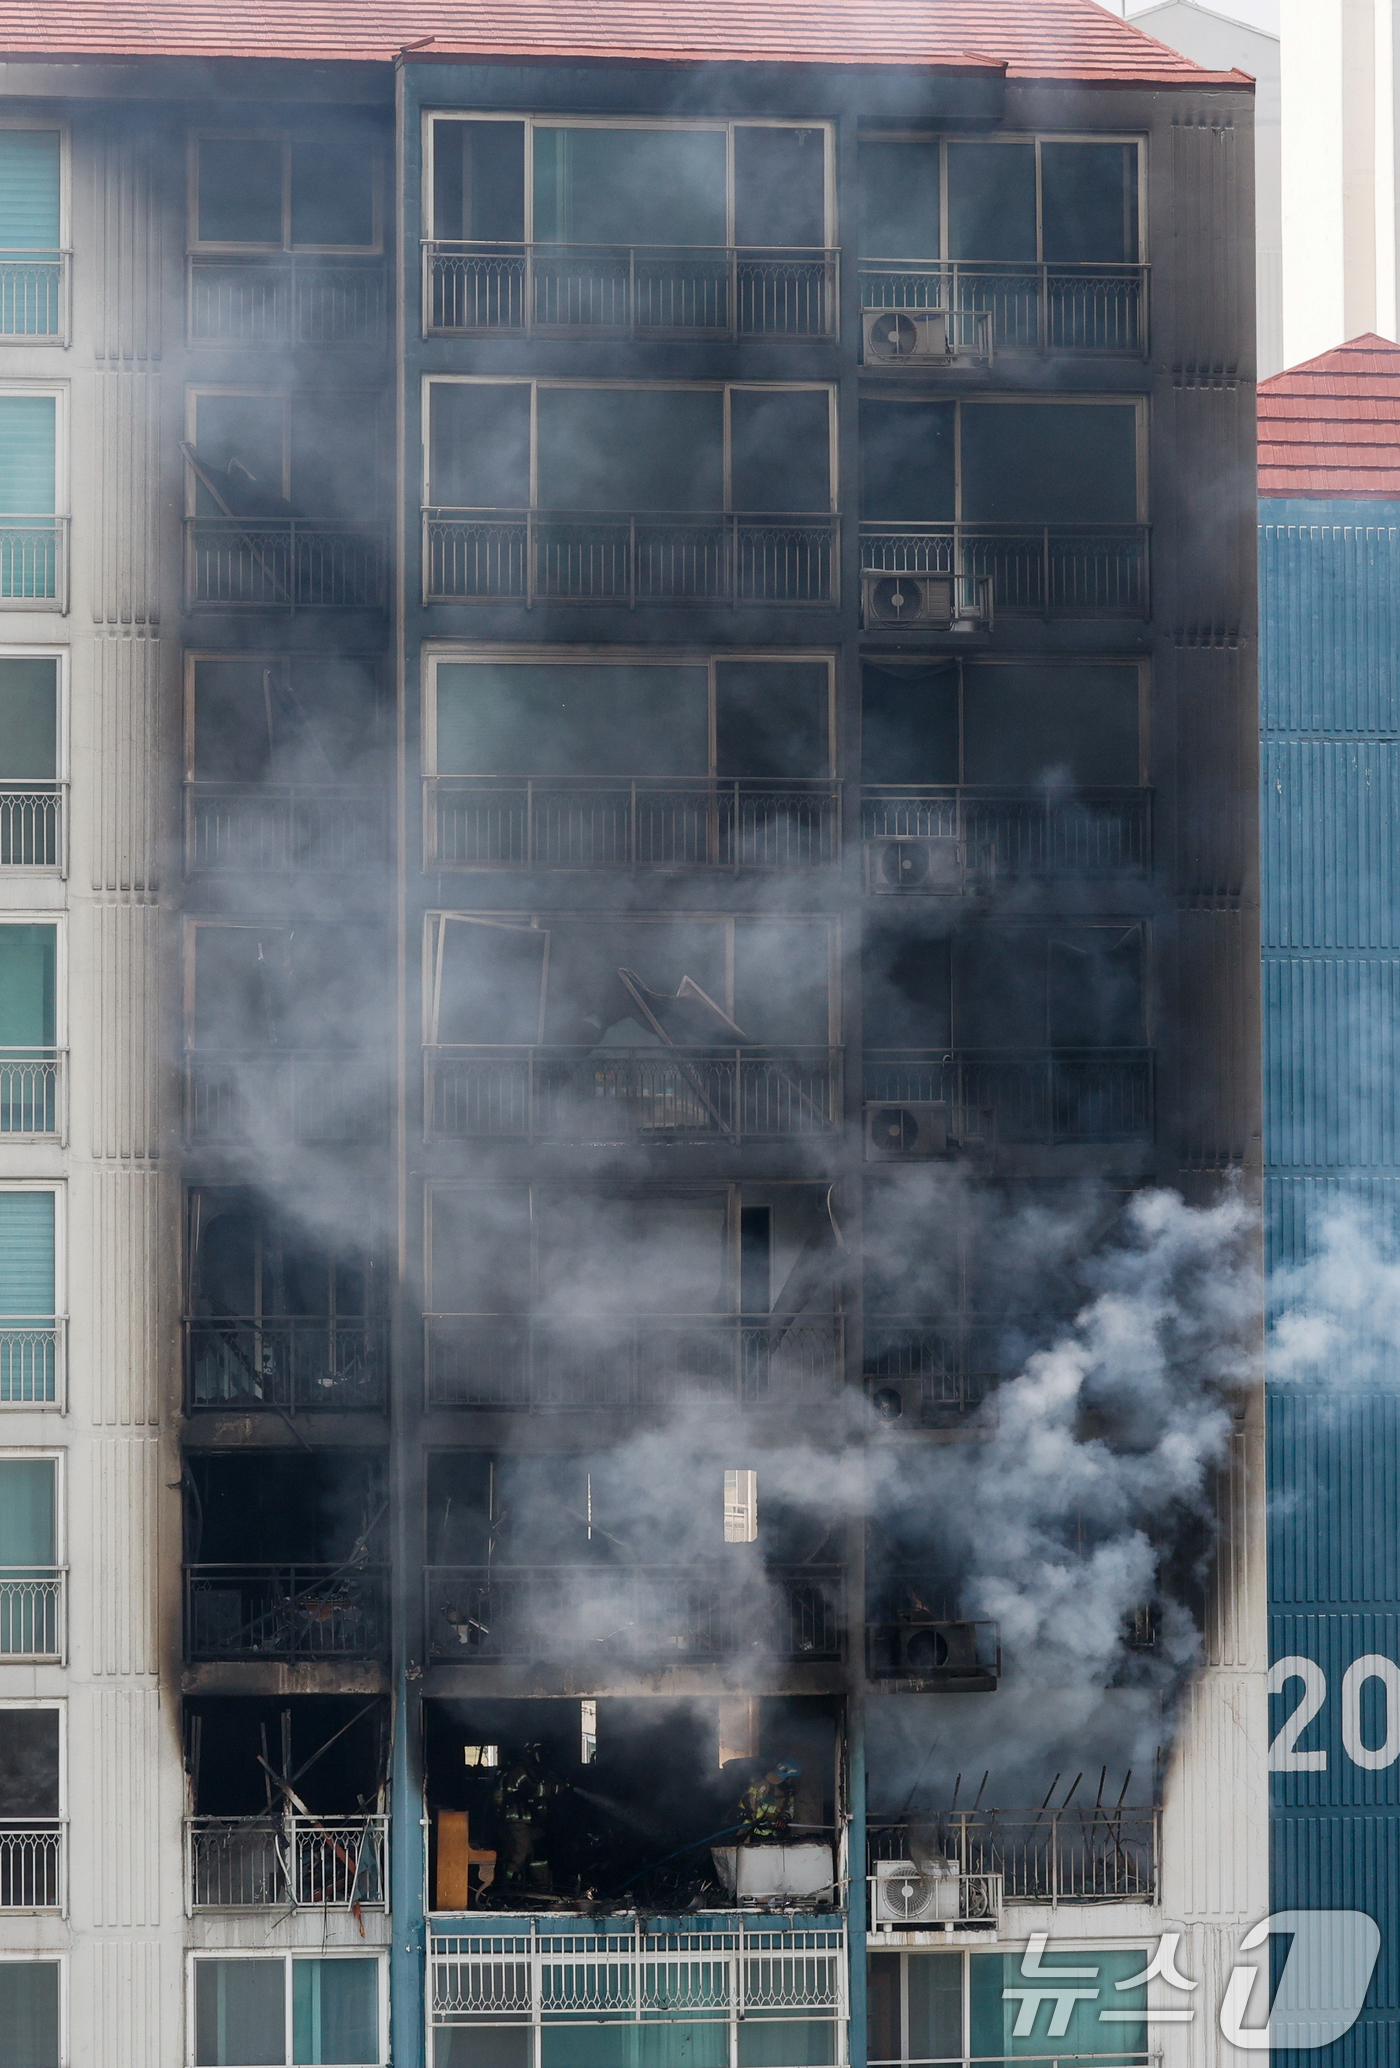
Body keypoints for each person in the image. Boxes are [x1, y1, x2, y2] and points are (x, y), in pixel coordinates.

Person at [493, 1743, 557, 1887]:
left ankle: (542, 1883)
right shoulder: (519, 1772)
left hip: (531, 1820)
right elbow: (530, 1791)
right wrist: (555, 1788)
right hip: (517, 1819)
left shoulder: (532, 1771)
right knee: (522, 1851)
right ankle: (506, 1883)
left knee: (539, 1848)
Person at [738, 1759, 800, 1841]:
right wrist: (761, 1818)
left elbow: (790, 1809)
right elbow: (748, 1801)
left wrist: (784, 1817)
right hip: (750, 1834)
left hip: (772, 1837)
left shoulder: (788, 1794)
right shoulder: (763, 1785)